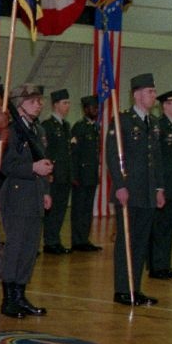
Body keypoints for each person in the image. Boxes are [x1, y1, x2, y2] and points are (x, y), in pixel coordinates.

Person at [106, 72, 165, 306]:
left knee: (141, 242)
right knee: (126, 242)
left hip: (148, 191)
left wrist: (159, 188)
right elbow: (113, 156)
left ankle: (135, 288)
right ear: (137, 94)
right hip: (129, 191)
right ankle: (122, 289)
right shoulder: (123, 121)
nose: (154, 96)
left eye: (153, 91)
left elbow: (157, 159)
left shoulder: (153, 123)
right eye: (150, 92)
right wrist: (119, 185)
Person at [0, 84, 53, 317]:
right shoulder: (11, 131)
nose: (38, 105)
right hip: (17, 196)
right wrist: (32, 168)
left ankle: (21, 294)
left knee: (30, 249)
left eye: (40, 101)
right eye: (33, 101)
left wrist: (46, 191)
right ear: (19, 104)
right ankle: (9, 299)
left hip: (34, 196)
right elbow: (5, 165)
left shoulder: (37, 130)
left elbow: (44, 163)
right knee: (16, 248)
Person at [148, 88, 172, 280]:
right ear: (165, 106)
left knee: (169, 228)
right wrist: (158, 187)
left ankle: (165, 264)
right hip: (163, 186)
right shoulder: (158, 127)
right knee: (159, 227)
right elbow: (156, 160)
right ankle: (156, 266)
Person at [41, 88, 73, 255]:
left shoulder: (66, 126)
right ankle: (49, 241)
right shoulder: (48, 125)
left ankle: (55, 239)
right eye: (64, 103)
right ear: (55, 105)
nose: (68, 106)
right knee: (51, 210)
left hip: (64, 174)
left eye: (68, 103)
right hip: (53, 175)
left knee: (61, 209)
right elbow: (46, 151)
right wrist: (48, 173)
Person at [68, 95, 102, 252]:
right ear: (85, 109)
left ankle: (84, 238)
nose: (95, 110)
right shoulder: (79, 127)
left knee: (87, 209)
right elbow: (73, 153)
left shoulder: (94, 127)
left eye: (96, 107)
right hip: (80, 176)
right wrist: (73, 175)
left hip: (90, 175)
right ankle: (77, 240)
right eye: (92, 107)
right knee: (79, 209)